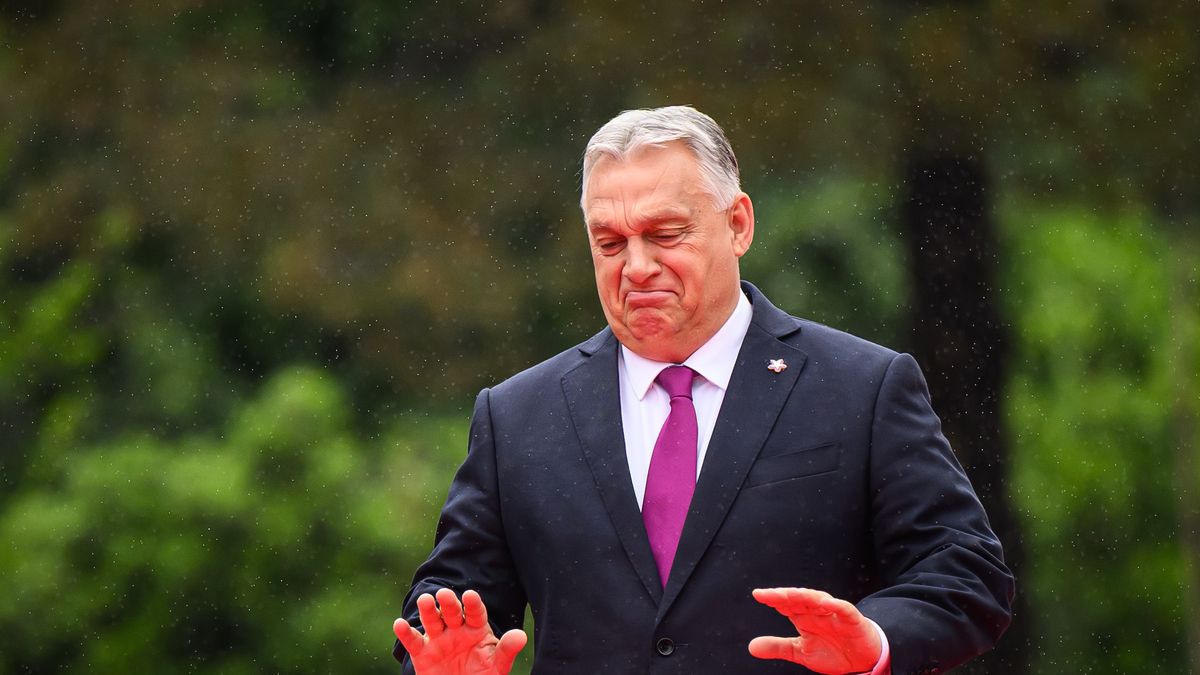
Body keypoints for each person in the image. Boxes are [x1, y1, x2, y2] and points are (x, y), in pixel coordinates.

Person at [392, 106, 1013, 675]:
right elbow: (449, 611)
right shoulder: (517, 417)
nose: (636, 267)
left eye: (665, 234)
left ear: (738, 224)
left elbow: (966, 574)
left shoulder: (861, 387)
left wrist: (874, 640)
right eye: (610, 243)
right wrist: (438, 663)